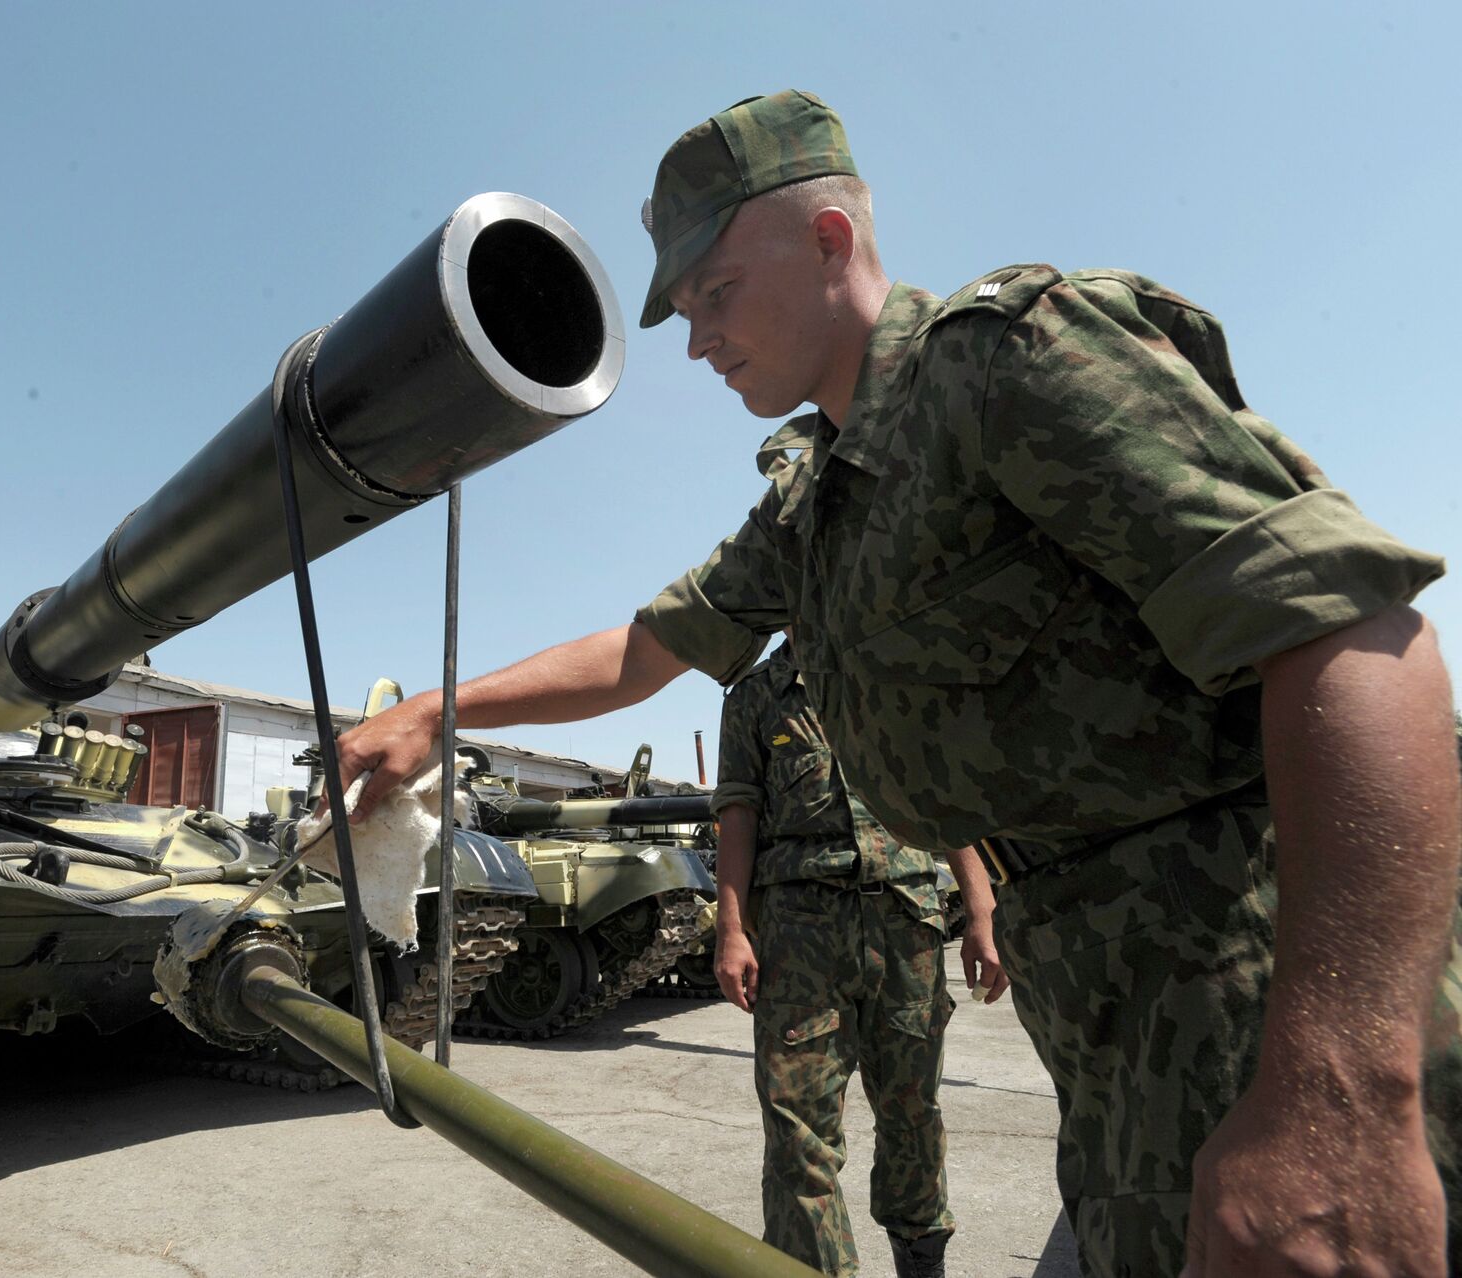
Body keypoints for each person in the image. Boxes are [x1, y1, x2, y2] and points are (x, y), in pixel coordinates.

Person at [334, 90, 1462, 1275]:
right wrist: (435, 710)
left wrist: (1342, 1091)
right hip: (1105, 1017)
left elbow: (1355, 635)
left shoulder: (1007, 363)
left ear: (830, 241)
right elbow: (644, 650)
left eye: (715, 293)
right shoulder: (817, 502)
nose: (698, 339)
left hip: (1260, 988)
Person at [713, 627, 1006, 1275]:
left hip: (906, 928)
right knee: (797, 1135)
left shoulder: (896, 675)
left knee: (913, 1117)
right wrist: (732, 929)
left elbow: (943, 801)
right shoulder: (756, 697)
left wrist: (982, 908)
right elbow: (737, 813)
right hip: (799, 939)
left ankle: (921, 1258)